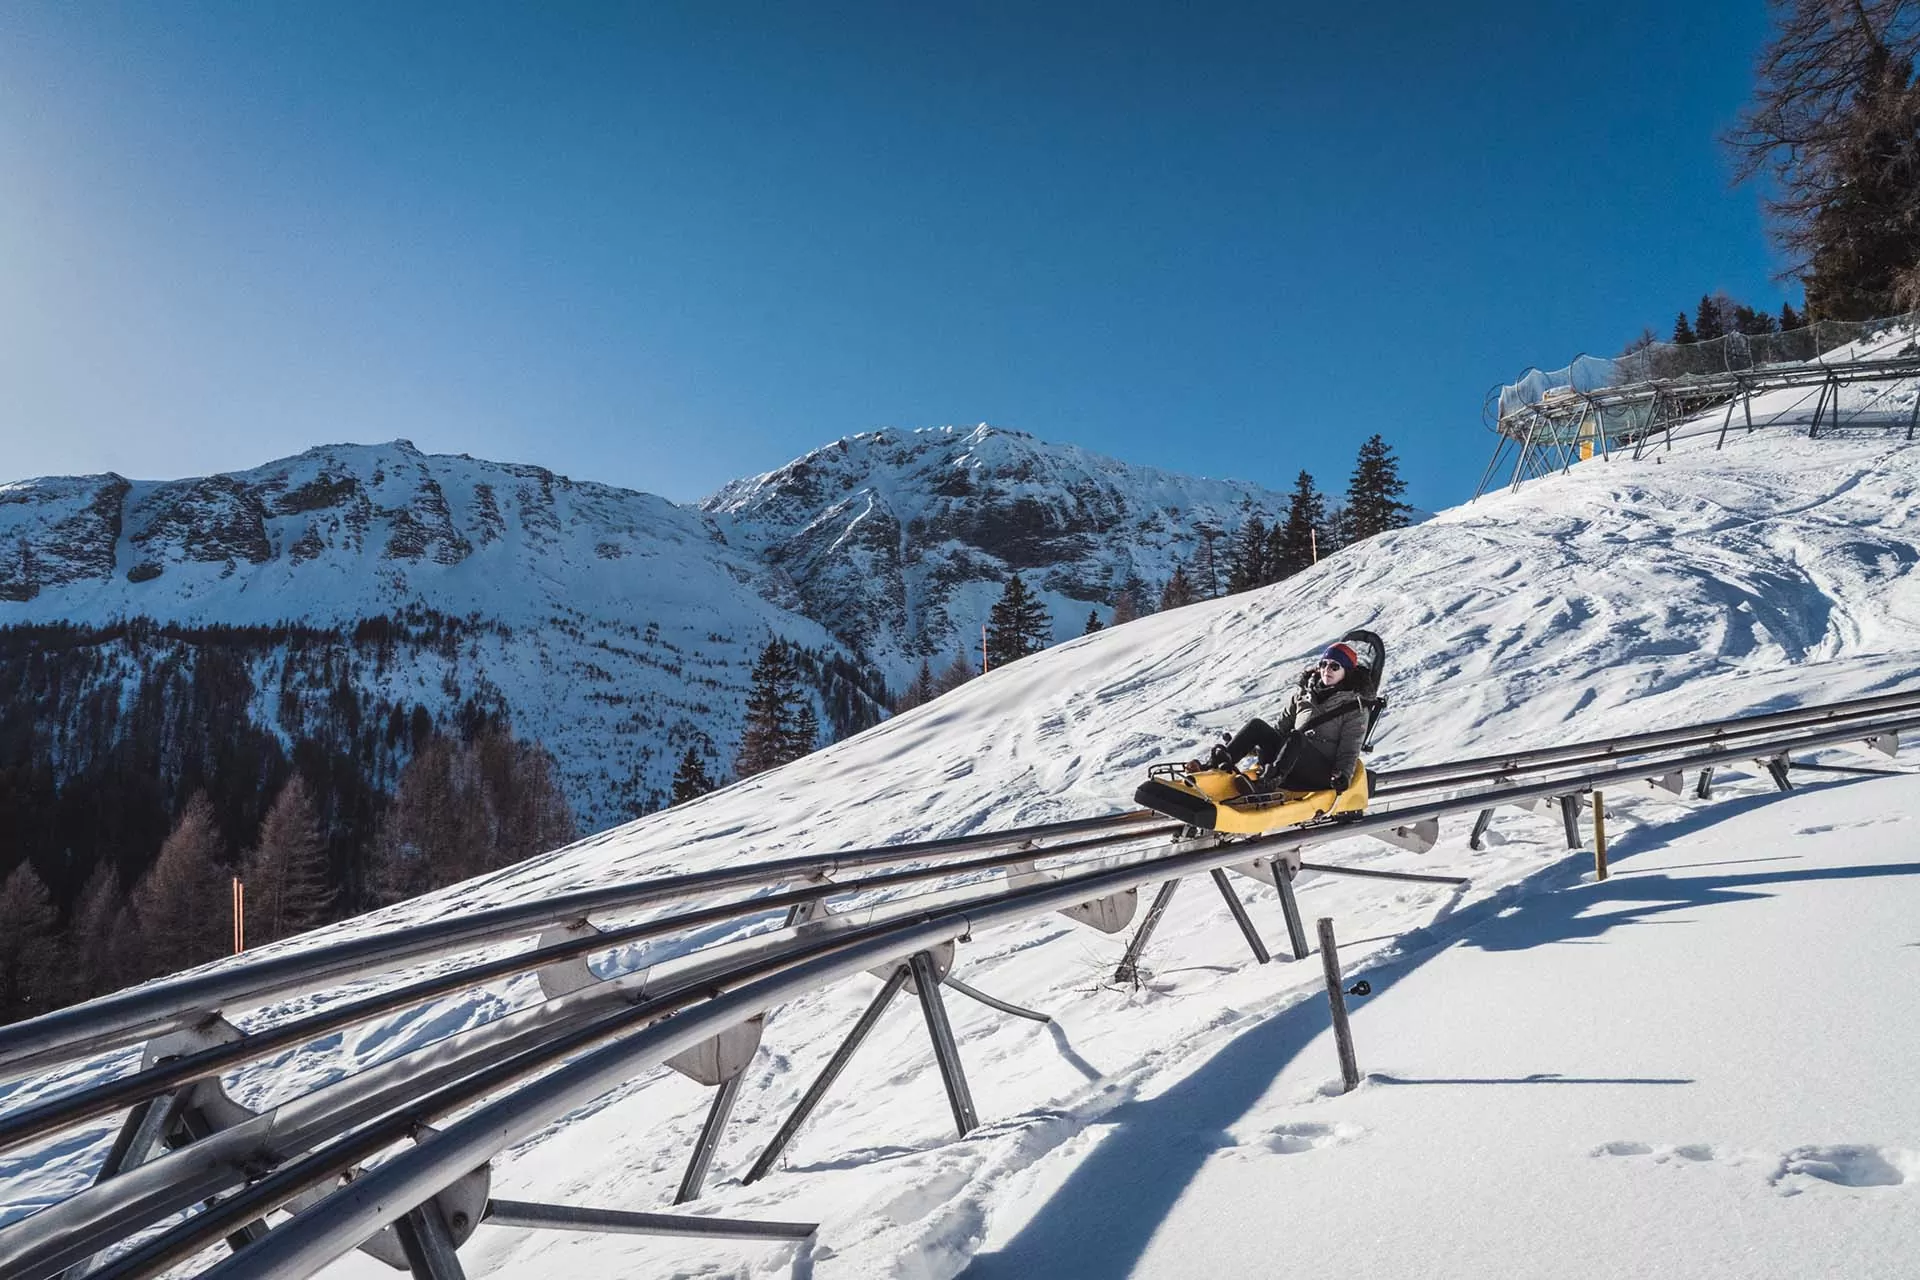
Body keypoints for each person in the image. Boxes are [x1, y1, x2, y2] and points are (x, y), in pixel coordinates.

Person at [1190, 636, 1376, 795]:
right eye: (1323, 664)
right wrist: (1249, 747)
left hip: (1320, 774)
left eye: (1335, 666)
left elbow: (1350, 749)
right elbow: (1278, 732)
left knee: (1297, 737)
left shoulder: (1354, 707)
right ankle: (1212, 769)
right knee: (1258, 726)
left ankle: (1268, 784)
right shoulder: (1304, 695)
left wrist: (1343, 776)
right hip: (1289, 764)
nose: (1327, 670)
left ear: (1347, 672)